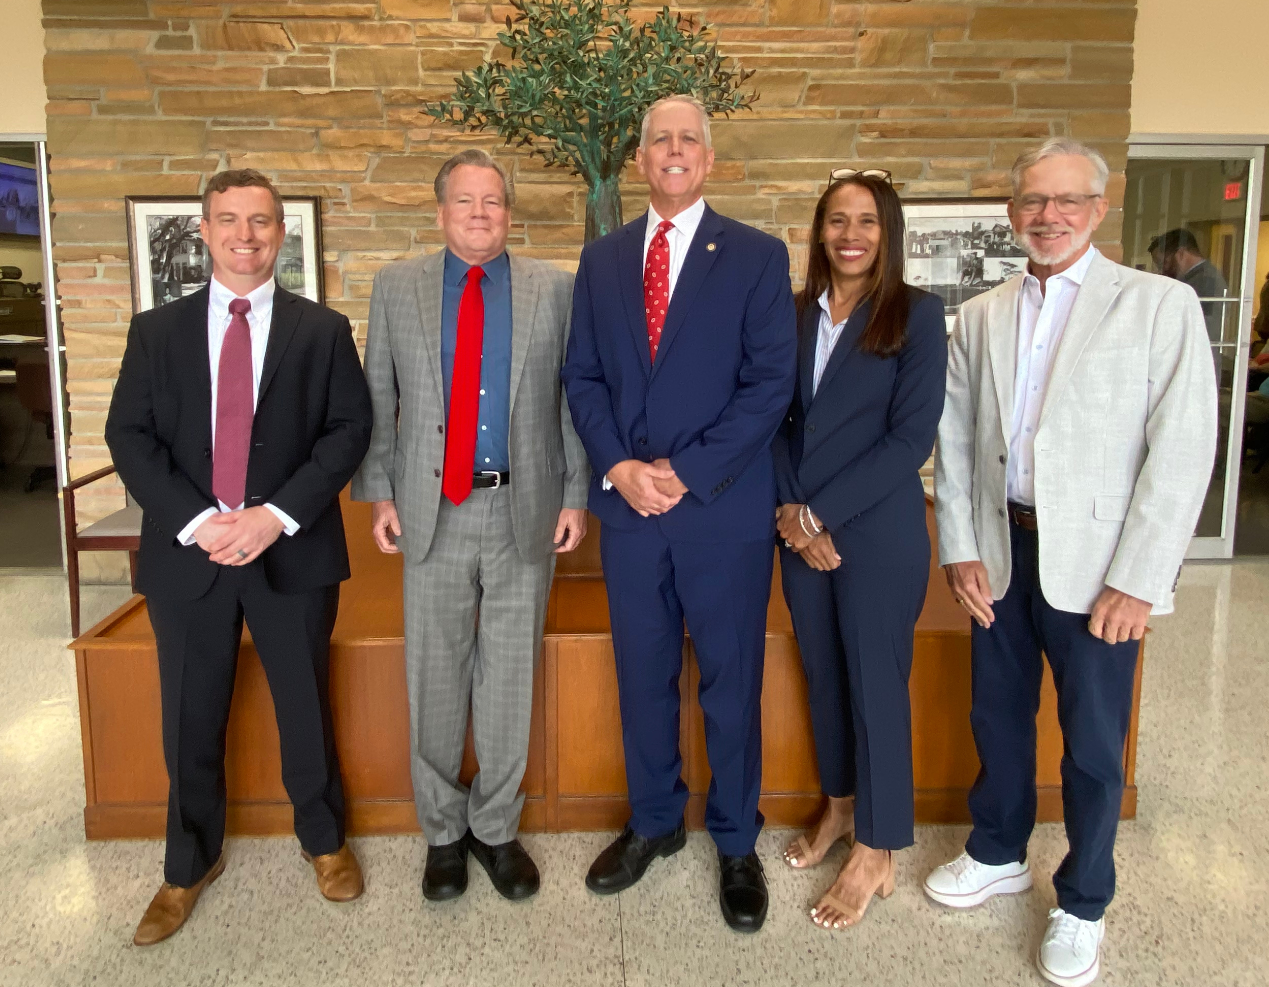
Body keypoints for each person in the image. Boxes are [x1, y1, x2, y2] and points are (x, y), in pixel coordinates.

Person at [928, 138, 1217, 987]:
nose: (1046, 216)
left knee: (1092, 744)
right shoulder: (982, 313)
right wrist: (963, 547)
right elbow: (954, 442)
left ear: (1097, 209)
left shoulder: (1156, 305)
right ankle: (997, 848)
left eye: (1065, 202)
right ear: (1012, 211)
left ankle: (1083, 899)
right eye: (1030, 202)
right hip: (1002, 550)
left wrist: (1141, 576)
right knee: (998, 715)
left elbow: (1182, 448)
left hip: (1098, 566)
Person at [105, 169, 374, 946]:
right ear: (205, 229)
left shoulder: (321, 330)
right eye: (229, 220)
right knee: (189, 713)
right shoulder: (155, 332)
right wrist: (198, 520)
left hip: (289, 547)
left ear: (280, 234)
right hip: (189, 553)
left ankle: (324, 840)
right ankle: (187, 863)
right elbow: (130, 437)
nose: (245, 235)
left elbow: (347, 431)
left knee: (304, 702)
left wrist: (275, 515)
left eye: (260, 221)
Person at [562, 94, 797, 933]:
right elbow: (581, 377)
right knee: (642, 678)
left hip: (722, 512)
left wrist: (684, 471)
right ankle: (654, 822)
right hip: (630, 513)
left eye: (687, 139)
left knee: (732, 685)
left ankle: (736, 839)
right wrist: (620, 467)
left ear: (708, 158)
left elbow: (770, 384)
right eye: (657, 138)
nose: (672, 149)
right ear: (638, 158)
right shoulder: (603, 258)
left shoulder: (758, 257)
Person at [351, 149, 590, 904]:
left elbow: (571, 400)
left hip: (525, 504)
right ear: (440, 211)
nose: (480, 213)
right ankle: (443, 834)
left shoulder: (554, 289)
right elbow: (377, 395)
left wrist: (575, 493)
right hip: (432, 509)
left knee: (509, 674)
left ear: (509, 213)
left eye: (493, 201)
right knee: (435, 673)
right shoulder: (397, 287)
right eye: (465, 201)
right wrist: (379, 491)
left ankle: (494, 829)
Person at [771, 171, 947, 929]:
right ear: (818, 230)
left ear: (888, 231)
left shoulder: (917, 314)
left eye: (866, 221)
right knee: (823, 677)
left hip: (874, 531)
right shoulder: (790, 312)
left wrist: (816, 514)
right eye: (836, 219)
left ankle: (877, 847)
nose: (849, 233)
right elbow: (773, 419)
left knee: (875, 684)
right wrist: (790, 514)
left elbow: (909, 438)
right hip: (796, 529)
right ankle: (840, 808)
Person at [1149, 227, 1229, 340]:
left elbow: (1206, 328)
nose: (1162, 271)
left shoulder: (1205, 280)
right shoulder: (1200, 278)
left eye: (1164, 263)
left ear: (1181, 254)